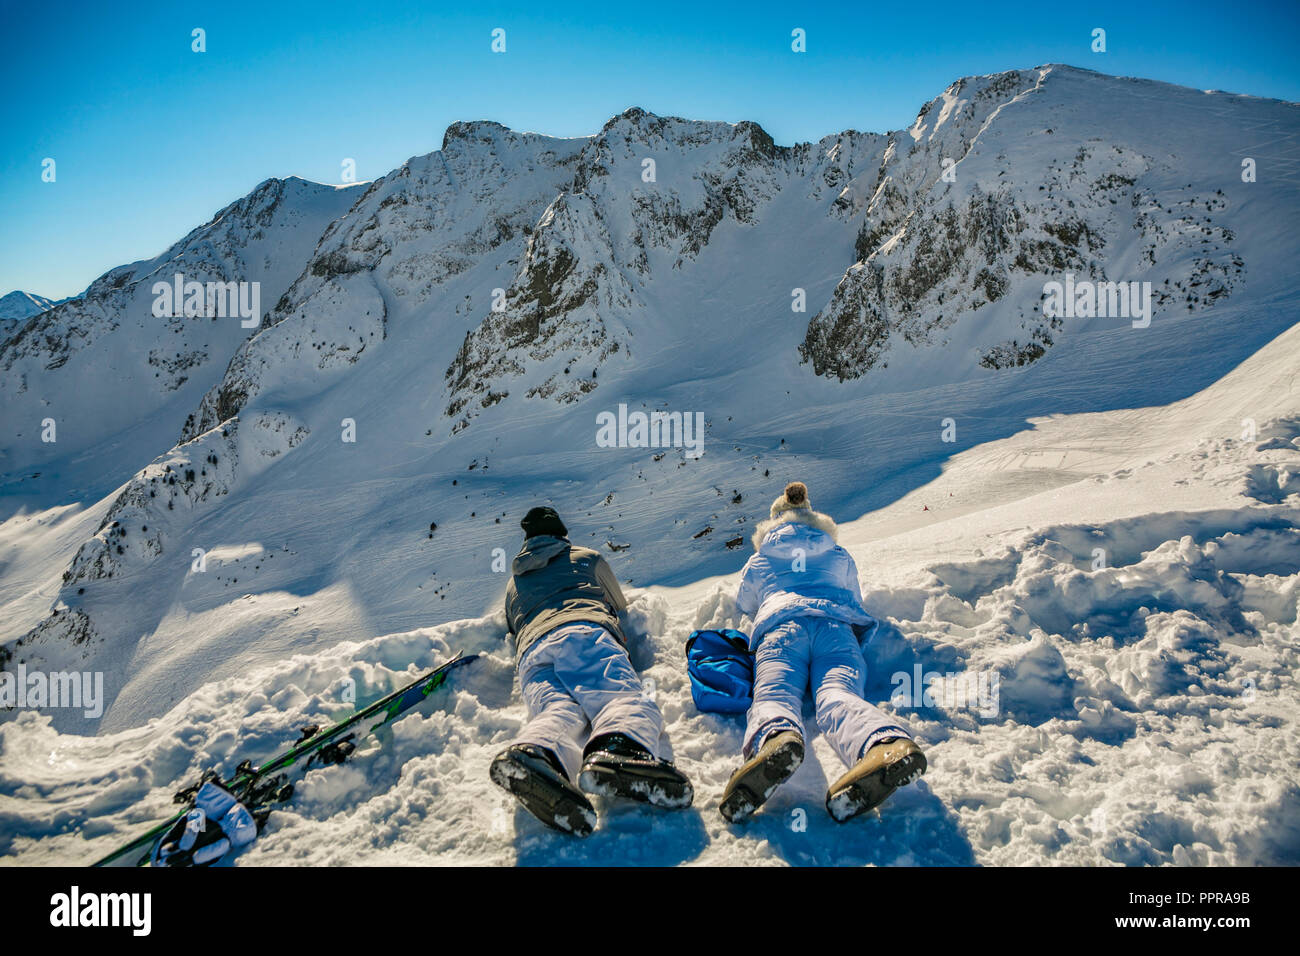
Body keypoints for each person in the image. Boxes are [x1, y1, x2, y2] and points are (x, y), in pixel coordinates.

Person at [722, 482, 926, 823]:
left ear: (773, 522)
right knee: (836, 694)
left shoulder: (760, 558)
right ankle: (882, 744)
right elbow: (854, 596)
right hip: (835, 629)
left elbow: (744, 603)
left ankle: (776, 738)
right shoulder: (837, 553)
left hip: (782, 630)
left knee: (776, 693)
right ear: (813, 517)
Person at [490, 506, 693, 836]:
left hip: (531, 654)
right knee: (621, 699)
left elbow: (513, 626)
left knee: (560, 710)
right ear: (561, 533)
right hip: (584, 633)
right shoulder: (587, 558)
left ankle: (535, 755)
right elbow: (619, 603)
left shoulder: (514, 584)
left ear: (528, 540)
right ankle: (619, 752)